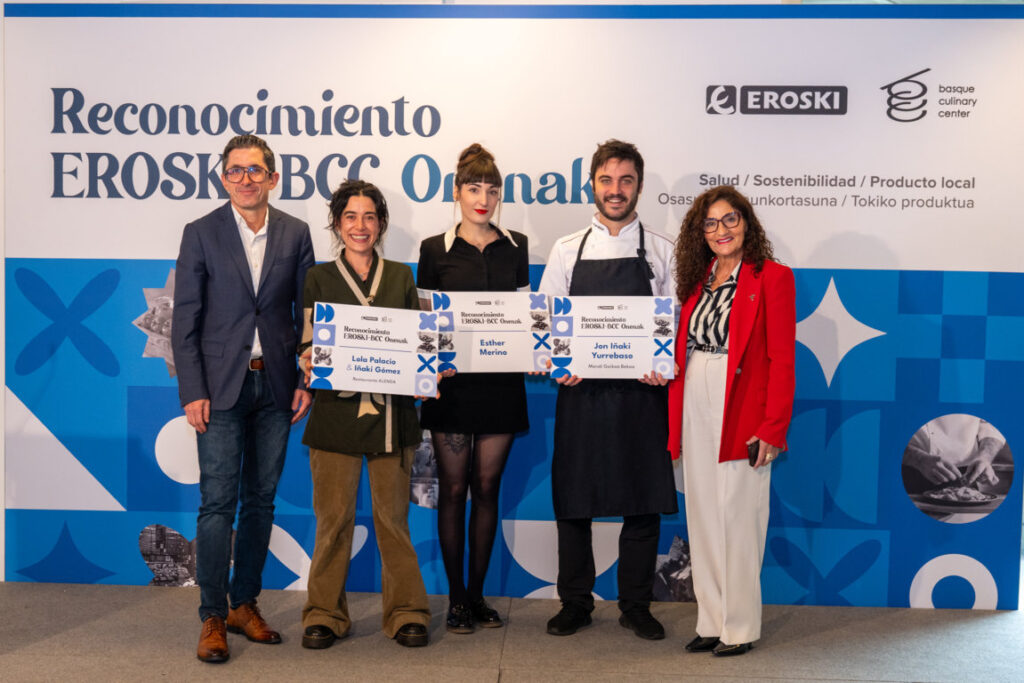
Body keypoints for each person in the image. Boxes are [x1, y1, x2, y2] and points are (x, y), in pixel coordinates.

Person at [172, 134, 315, 663]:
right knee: (217, 504)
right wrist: (193, 390)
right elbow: (185, 319)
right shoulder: (201, 233)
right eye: (236, 171)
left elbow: (309, 315)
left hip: (277, 386)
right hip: (220, 389)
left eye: (256, 170)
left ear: (273, 178)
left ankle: (244, 604)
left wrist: (307, 380)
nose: (246, 179)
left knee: (260, 502)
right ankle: (211, 614)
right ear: (223, 177)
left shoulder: (296, 233)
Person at [538, 139, 678, 640]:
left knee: (641, 501)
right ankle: (574, 601)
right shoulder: (567, 249)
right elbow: (548, 324)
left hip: (642, 396)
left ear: (638, 186)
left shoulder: (663, 250)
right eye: (606, 180)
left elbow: (673, 324)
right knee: (575, 500)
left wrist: (664, 365)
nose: (615, 191)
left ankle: (636, 604)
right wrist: (558, 362)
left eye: (625, 181)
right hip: (582, 394)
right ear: (592, 184)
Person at [298, 179, 431, 650]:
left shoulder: (401, 277)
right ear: (337, 224)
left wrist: (433, 361)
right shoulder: (318, 278)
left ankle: (407, 612)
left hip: (393, 418)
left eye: (370, 217)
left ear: (381, 224)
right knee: (332, 521)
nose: (360, 226)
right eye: (350, 217)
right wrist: (308, 357)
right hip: (335, 415)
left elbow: (418, 342)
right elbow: (309, 341)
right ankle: (324, 613)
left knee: (392, 521)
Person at [666, 185, 795, 656]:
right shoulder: (697, 279)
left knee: (738, 515)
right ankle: (711, 619)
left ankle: (738, 626)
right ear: (700, 233)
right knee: (701, 513)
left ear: (747, 223)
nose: (721, 230)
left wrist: (773, 426)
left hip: (741, 402)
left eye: (730, 220)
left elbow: (782, 360)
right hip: (694, 395)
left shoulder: (772, 278)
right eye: (711, 223)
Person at [417, 143, 529, 633]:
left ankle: (478, 597)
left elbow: (526, 319)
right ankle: (456, 600)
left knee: (487, 488)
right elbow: (425, 323)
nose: (483, 198)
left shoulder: (517, 245)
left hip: (502, 386)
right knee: (455, 490)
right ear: (457, 192)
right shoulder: (433, 249)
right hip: (453, 388)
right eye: (474, 188)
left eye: (492, 190)